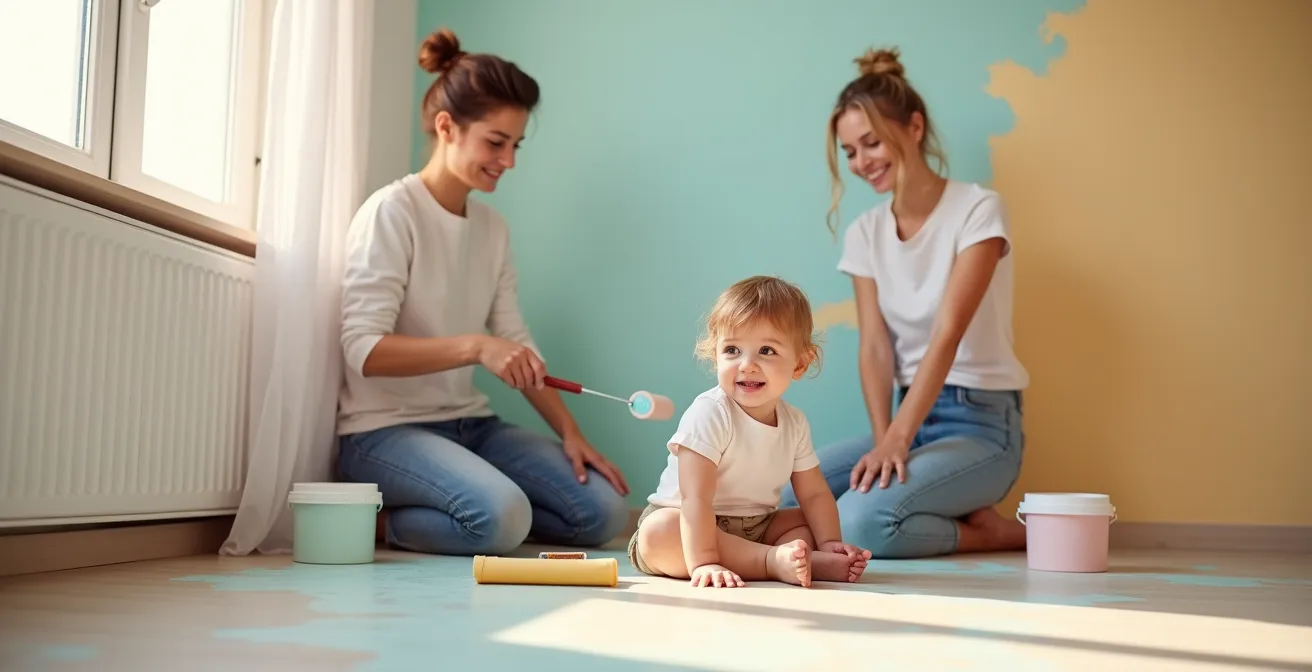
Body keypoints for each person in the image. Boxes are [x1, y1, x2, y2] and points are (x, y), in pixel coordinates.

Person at [334, 28, 630, 556]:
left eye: (516, 145)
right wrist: (475, 346)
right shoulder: (392, 212)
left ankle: (476, 506)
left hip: (472, 425)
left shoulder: (492, 229)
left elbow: (514, 340)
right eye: (496, 142)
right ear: (447, 127)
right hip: (382, 434)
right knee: (498, 519)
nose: (509, 160)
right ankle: (380, 523)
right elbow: (364, 350)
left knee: (601, 511)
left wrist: (570, 432)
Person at [780, 47, 1029, 558]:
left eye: (871, 142)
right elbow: (875, 347)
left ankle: (994, 533)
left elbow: (948, 333)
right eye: (850, 151)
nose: (861, 162)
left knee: (861, 521)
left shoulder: (978, 210)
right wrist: (886, 441)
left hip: (980, 422)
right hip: (905, 417)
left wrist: (900, 439)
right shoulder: (865, 233)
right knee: (789, 500)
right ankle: (931, 497)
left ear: (914, 127)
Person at [628, 276, 872, 587]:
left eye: (767, 351)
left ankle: (803, 558)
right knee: (659, 532)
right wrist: (704, 562)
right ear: (715, 354)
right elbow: (695, 499)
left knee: (807, 518)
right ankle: (771, 562)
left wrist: (829, 543)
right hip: (688, 523)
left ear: (800, 363)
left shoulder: (794, 422)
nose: (747, 364)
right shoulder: (710, 413)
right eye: (732, 350)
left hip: (757, 526)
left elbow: (814, 493)